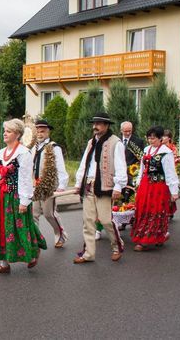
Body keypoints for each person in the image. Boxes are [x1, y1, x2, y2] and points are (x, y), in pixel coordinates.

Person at [0, 118, 47, 274]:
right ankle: (4, 263)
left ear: (17, 134)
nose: (4, 134)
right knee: (1, 227)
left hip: (16, 196)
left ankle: (33, 253)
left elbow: (25, 178)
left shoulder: (23, 153)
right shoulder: (1, 152)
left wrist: (25, 200)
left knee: (21, 226)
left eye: (8, 131)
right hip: (3, 196)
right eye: (5, 131)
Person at [73, 113, 127, 264]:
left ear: (106, 125)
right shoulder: (91, 142)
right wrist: (79, 183)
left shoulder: (116, 143)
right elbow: (84, 164)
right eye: (94, 123)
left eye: (99, 123)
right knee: (87, 221)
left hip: (105, 186)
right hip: (89, 184)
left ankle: (117, 246)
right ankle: (88, 253)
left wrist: (118, 187)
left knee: (105, 220)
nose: (95, 126)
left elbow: (121, 167)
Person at [131, 126, 179, 251]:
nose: (151, 141)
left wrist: (174, 191)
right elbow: (142, 168)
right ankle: (145, 236)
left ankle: (150, 238)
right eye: (149, 138)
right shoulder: (147, 150)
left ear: (160, 138)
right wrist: (138, 182)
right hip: (146, 185)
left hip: (158, 186)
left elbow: (170, 172)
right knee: (143, 209)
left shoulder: (166, 152)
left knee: (155, 211)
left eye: (153, 138)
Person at [31, 119, 69, 248]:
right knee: (33, 213)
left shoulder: (54, 147)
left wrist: (62, 185)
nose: (40, 134)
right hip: (35, 185)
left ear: (48, 132)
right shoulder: (34, 148)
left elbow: (60, 167)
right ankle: (34, 239)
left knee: (49, 213)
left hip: (48, 185)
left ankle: (60, 234)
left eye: (42, 131)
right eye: (38, 131)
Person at [162, 129, 178, 218]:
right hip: (162, 173)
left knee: (170, 191)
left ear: (169, 138)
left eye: (165, 136)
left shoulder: (172, 148)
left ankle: (170, 210)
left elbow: (175, 160)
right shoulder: (159, 147)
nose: (163, 138)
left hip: (170, 171)